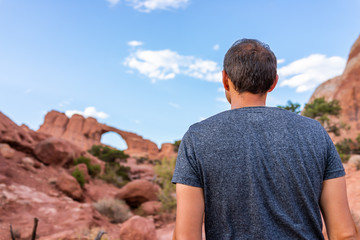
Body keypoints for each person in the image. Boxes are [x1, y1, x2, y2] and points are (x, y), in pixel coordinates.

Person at [171, 39, 359, 240]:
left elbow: (186, 236)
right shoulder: (315, 132)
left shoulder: (197, 138)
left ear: (225, 79)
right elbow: (344, 234)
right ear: (273, 82)